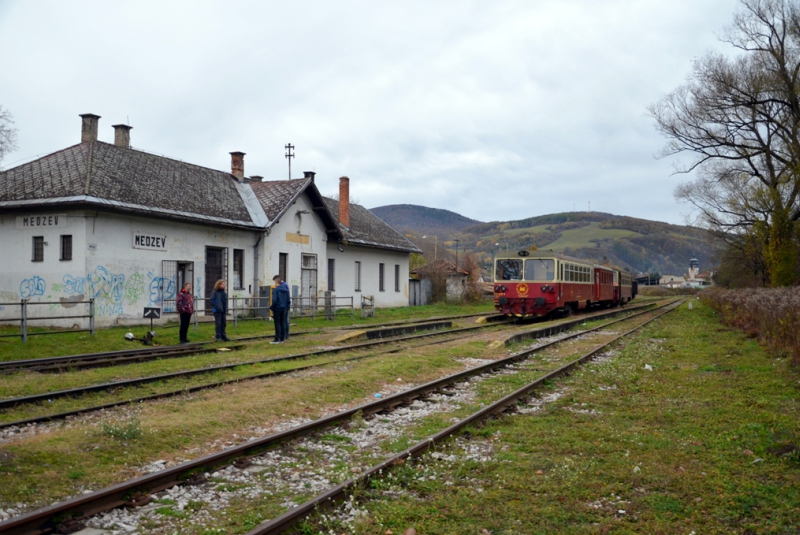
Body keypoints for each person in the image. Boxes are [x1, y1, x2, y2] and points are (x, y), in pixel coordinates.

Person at [270, 275, 291, 343]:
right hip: (284, 308)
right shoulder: (286, 290)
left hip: (277, 308)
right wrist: (287, 306)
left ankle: (277, 339)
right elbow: (288, 300)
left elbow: (274, 300)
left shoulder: (276, 290)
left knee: (277, 324)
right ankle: (282, 338)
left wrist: (272, 307)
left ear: (276, 282)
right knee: (283, 323)